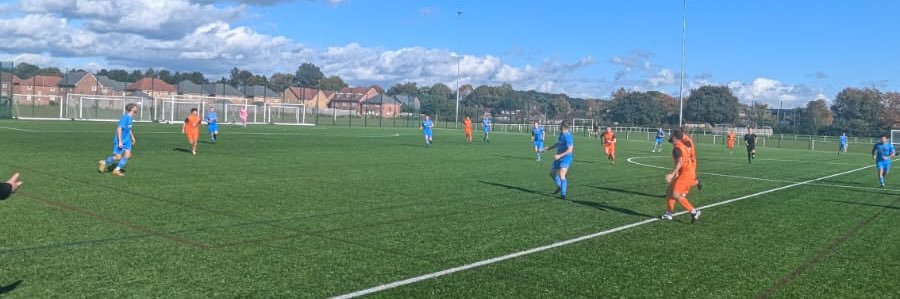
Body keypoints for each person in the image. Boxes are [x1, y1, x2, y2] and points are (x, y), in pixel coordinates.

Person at [661, 129, 702, 222]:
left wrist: (672, 175)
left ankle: (694, 211)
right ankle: (669, 214)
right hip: (686, 171)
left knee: (675, 194)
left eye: (671, 135)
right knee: (670, 192)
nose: (670, 136)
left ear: (675, 137)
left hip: (686, 173)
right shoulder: (681, 145)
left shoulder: (677, 148)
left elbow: (680, 162)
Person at [98, 103, 138, 177]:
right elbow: (119, 129)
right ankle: (104, 162)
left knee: (128, 155)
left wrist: (132, 137)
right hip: (121, 140)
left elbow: (129, 129)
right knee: (118, 157)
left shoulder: (130, 118)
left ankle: (116, 170)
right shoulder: (125, 117)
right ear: (132, 109)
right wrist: (120, 141)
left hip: (127, 141)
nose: (137, 108)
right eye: (136, 107)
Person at [545, 121, 573, 200]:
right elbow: (558, 144)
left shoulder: (568, 136)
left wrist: (559, 155)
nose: (559, 126)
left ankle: (563, 194)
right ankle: (560, 186)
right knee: (552, 173)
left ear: (563, 127)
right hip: (559, 157)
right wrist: (549, 148)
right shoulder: (561, 134)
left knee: (561, 174)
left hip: (566, 158)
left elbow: (570, 150)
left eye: (560, 125)